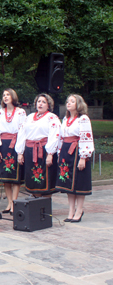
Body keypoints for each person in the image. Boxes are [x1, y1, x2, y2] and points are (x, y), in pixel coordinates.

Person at [56, 94, 94, 223]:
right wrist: (59, 153)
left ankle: (79, 209)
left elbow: (86, 137)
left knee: (79, 182)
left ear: (78, 104)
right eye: (68, 101)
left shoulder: (83, 119)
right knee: (67, 182)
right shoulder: (65, 119)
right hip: (66, 151)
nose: (69, 103)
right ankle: (71, 210)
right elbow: (61, 137)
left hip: (77, 150)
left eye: (72, 101)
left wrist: (83, 157)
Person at [16, 94, 61, 197]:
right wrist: (20, 152)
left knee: (45, 180)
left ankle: (45, 208)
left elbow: (55, 136)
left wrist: (50, 154)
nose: (40, 104)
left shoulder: (52, 117)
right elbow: (22, 134)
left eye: (44, 102)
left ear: (48, 105)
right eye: (39, 101)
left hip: (44, 151)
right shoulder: (29, 117)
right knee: (32, 178)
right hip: (30, 151)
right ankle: (36, 206)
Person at [0, 88, 27, 213]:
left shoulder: (20, 112)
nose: (5, 97)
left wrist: (20, 151)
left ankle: (14, 202)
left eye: (8, 94)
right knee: (6, 176)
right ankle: (9, 203)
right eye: (4, 95)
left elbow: (23, 130)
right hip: (3, 143)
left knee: (15, 176)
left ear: (13, 96)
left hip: (15, 143)